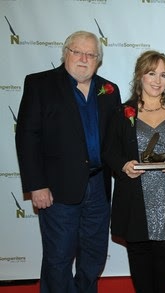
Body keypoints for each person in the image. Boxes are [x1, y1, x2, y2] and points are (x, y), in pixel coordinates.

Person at [15, 31, 121, 292]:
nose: (84, 58)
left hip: (98, 187)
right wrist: (36, 185)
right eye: (78, 52)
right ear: (65, 53)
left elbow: (117, 140)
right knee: (59, 256)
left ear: (98, 60)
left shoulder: (109, 90)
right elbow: (27, 137)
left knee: (94, 255)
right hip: (56, 188)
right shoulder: (40, 84)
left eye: (91, 54)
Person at [102, 50, 165, 293]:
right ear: (140, 76)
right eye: (151, 73)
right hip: (135, 206)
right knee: (142, 279)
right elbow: (109, 151)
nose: (157, 80)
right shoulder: (123, 113)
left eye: (163, 75)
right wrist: (124, 165)